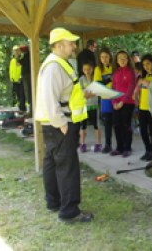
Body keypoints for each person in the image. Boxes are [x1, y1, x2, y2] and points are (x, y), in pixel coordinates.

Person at [35, 28, 93, 223]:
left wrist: (83, 94)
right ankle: (70, 212)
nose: (74, 46)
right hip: (61, 124)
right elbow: (50, 99)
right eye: (70, 43)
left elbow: (64, 94)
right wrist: (62, 124)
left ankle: (54, 202)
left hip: (55, 123)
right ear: (59, 45)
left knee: (52, 162)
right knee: (67, 166)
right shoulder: (54, 67)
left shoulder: (59, 64)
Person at [111, 50, 136, 157]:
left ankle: (127, 148)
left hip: (128, 103)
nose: (122, 60)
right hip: (116, 103)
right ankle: (119, 147)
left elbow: (131, 89)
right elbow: (113, 88)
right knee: (117, 125)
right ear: (116, 60)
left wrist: (122, 102)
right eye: (120, 58)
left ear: (128, 59)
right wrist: (114, 102)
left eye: (124, 57)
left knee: (126, 125)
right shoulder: (116, 72)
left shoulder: (131, 72)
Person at [134, 54, 152, 161]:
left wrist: (144, 82)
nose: (146, 66)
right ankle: (147, 150)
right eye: (144, 64)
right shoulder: (142, 77)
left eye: (148, 64)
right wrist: (135, 96)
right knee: (143, 130)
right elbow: (137, 90)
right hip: (142, 107)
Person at [94, 47, 114, 154]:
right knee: (107, 124)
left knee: (119, 123)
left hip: (116, 98)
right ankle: (108, 144)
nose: (104, 59)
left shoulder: (114, 67)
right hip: (105, 99)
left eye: (106, 56)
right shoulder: (98, 69)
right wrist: (110, 79)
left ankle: (124, 145)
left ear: (110, 57)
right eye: (102, 57)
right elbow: (98, 85)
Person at [79, 62, 102, 153]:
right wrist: (89, 94)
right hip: (84, 107)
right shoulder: (81, 79)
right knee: (83, 126)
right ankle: (82, 144)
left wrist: (89, 94)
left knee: (97, 125)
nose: (87, 71)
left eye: (89, 69)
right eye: (85, 69)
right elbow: (81, 94)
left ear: (92, 69)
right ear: (82, 70)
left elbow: (98, 91)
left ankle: (98, 144)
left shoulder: (95, 79)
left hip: (94, 106)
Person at [9, 45, 26, 111]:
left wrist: (20, 77)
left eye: (17, 50)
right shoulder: (12, 61)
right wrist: (11, 78)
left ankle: (22, 108)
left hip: (21, 79)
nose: (15, 52)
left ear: (19, 51)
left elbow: (22, 68)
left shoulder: (22, 59)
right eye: (14, 51)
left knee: (22, 94)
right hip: (14, 80)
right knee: (18, 94)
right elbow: (11, 70)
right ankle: (20, 107)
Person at [20, 44, 32, 115]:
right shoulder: (27, 55)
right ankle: (30, 110)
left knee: (29, 93)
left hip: (27, 76)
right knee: (28, 93)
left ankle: (31, 111)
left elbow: (20, 62)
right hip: (27, 76)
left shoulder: (27, 55)